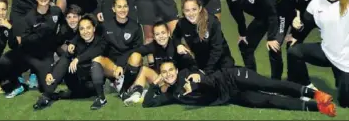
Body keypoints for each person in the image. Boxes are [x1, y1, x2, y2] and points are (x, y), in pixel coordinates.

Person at [141, 61, 337, 117]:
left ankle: (314, 93)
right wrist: (157, 83)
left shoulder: (187, 74)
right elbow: (148, 103)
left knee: (270, 84)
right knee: (267, 101)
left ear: (176, 69)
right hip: (231, 96)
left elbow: (210, 84)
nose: (169, 74)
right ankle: (316, 107)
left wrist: (197, 82)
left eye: (170, 70)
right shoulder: (174, 94)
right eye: (164, 72)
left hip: (231, 77)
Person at [0, 0, 64, 99]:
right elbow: (24, 40)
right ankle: (19, 83)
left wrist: (57, 40)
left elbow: (64, 27)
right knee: (4, 61)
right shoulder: (29, 17)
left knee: (47, 88)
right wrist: (40, 34)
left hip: (44, 56)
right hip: (28, 54)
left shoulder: (56, 12)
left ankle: (46, 71)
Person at [223, 0, 284, 79]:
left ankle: (276, 83)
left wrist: (271, 37)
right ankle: (253, 79)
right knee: (244, 45)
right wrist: (242, 33)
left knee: (273, 47)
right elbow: (237, 14)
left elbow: (272, 12)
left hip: (278, 14)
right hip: (262, 17)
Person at [32, 14, 107, 111]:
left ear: (94, 28)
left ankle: (100, 98)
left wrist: (78, 59)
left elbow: (94, 52)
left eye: (88, 28)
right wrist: (51, 72)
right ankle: (46, 96)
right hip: (76, 81)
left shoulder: (101, 41)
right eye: (82, 29)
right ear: (79, 31)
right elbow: (64, 58)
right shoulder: (77, 43)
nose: (85, 32)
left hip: (91, 85)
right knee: (66, 58)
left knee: (95, 63)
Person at [277, 0, 323, 82]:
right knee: (291, 45)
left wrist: (298, 33)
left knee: (333, 44)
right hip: (300, 16)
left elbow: (319, 12)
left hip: (316, 16)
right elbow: (289, 10)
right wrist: (294, 26)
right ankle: (295, 78)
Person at [172, 0, 235, 74]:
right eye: (187, 10)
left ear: (200, 8)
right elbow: (175, 36)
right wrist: (178, 45)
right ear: (183, 11)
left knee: (226, 78)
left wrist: (207, 71)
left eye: (194, 9)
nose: (191, 14)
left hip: (220, 59)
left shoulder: (212, 22)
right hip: (201, 60)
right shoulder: (182, 23)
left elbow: (217, 49)